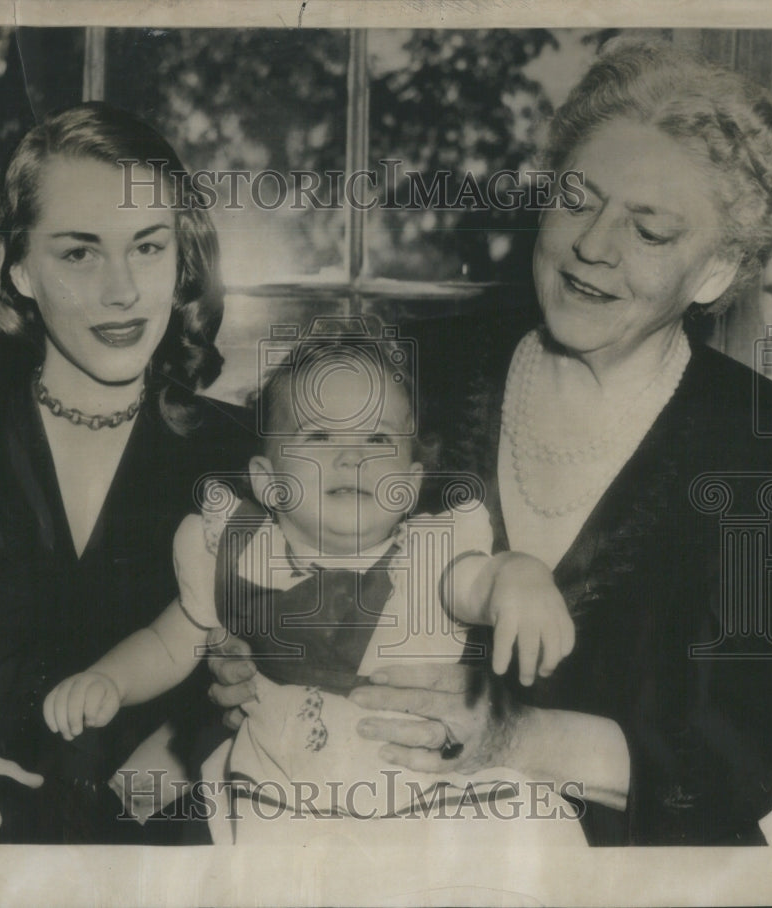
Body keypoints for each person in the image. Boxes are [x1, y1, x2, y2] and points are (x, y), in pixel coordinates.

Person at [210, 40, 772, 846]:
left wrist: (510, 740)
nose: (593, 245)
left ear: (714, 273)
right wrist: (243, 652)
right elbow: (270, 526)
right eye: (577, 201)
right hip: (343, 828)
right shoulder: (419, 368)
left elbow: (741, 755)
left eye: (648, 231)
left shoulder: (768, 439)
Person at [0, 102, 254, 844]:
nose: (121, 290)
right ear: (17, 268)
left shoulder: (249, 464)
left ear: (182, 263)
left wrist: (204, 745)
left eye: (147, 247)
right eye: (79, 253)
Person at [43, 333, 580, 838]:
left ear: (411, 485)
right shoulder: (237, 549)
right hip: (271, 796)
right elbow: (169, 641)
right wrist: (109, 680)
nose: (351, 456)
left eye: (377, 437)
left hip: (417, 805)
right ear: (269, 482)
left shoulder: (433, 554)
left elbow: (483, 581)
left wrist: (520, 576)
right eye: (319, 436)